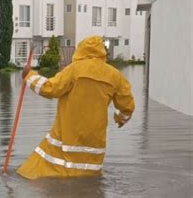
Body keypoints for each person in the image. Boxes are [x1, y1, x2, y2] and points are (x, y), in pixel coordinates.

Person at [17, 36, 135, 179]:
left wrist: (29, 76)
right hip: (94, 141)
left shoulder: (74, 70)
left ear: (81, 50)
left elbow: (50, 88)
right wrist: (120, 119)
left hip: (67, 135)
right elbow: (127, 105)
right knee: (88, 176)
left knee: (38, 168)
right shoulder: (115, 75)